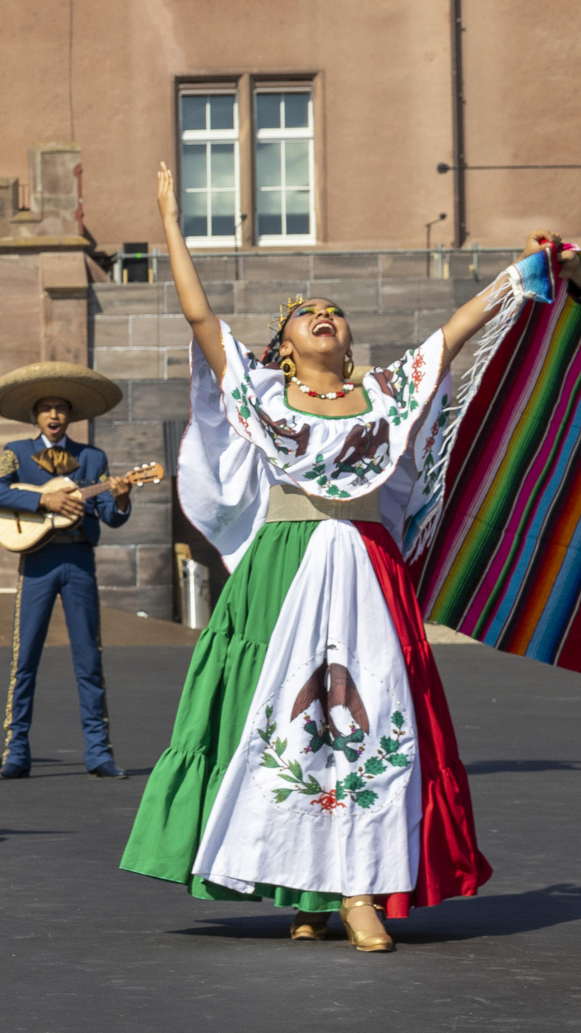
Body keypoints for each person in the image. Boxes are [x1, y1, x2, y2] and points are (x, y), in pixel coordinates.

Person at [121, 163, 576, 952]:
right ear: (286, 349)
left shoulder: (388, 393)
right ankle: (305, 886)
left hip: (367, 561)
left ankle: (360, 888)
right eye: (306, 314)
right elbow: (197, 314)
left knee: (369, 718)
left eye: (332, 311)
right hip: (284, 564)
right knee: (282, 720)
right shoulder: (261, 394)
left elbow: (457, 330)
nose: (322, 315)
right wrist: (169, 218)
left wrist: (525, 274)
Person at [0, 366, 135, 780]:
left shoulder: (92, 457)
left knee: (89, 658)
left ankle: (99, 753)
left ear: (70, 416)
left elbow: (111, 517)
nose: (54, 414)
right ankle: (16, 752)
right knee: (24, 657)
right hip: (38, 563)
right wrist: (43, 503)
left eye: (61, 408)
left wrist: (120, 499)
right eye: (46, 408)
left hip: (79, 560)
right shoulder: (16, 451)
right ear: (35, 416)